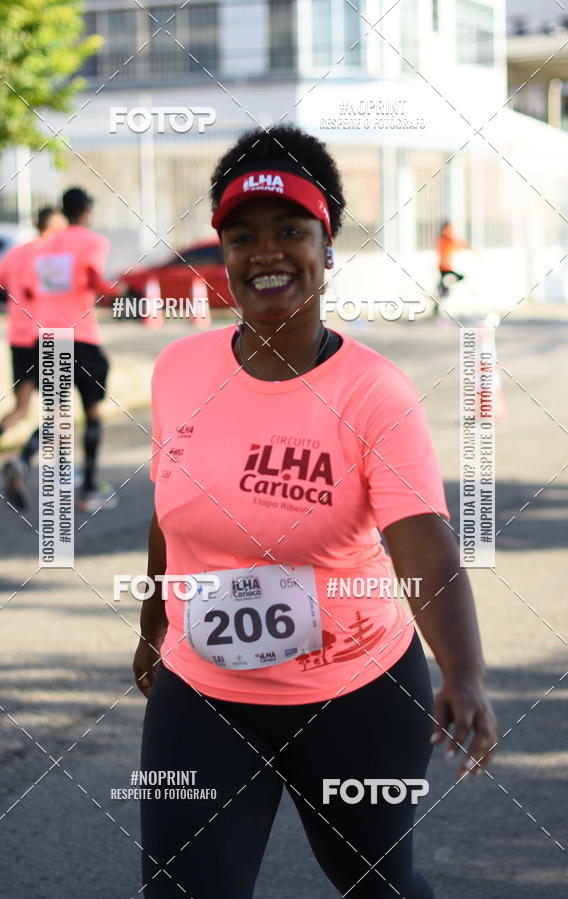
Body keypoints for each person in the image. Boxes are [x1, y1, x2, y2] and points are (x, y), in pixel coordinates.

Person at [134, 125, 497, 898]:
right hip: (203, 692)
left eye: (291, 231)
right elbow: (171, 507)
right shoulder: (178, 368)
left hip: (355, 695)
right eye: (243, 236)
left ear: (328, 249)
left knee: (376, 883)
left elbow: (422, 544)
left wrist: (463, 668)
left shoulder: (375, 392)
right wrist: (152, 623)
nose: (266, 251)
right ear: (223, 254)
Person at [24, 186, 128, 512]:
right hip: (81, 337)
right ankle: (88, 492)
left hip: (49, 337)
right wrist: (118, 289)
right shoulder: (93, 241)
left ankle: (24, 458)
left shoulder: (46, 245)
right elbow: (95, 278)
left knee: (55, 415)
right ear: (87, 210)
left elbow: (34, 289)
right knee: (93, 414)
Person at [0, 206, 66, 508]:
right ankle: (23, 462)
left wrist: (14, 300)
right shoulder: (52, 257)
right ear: (52, 226)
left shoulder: (16, 253)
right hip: (47, 338)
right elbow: (58, 299)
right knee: (55, 413)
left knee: (22, 406)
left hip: (18, 338)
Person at [435, 220, 470, 313]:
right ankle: (445, 286)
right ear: (446, 228)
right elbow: (461, 243)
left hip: (444, 267)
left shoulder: (442, 239)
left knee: (443, 290)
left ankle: (443, 289)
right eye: (450, 228)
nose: (451, 230)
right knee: (458, 278)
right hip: (445, 267)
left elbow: (458, 246)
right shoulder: (446, 238)